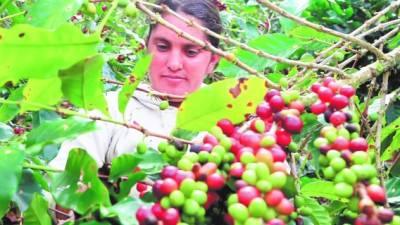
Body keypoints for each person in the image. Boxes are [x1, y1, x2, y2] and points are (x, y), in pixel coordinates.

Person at [49, 0, 222, 170]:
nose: (174, 64)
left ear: (213, 61)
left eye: (191, 52)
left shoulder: (229, 120)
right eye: (162, 47)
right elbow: (62, 182)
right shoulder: (106, 111)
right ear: (147, 48)